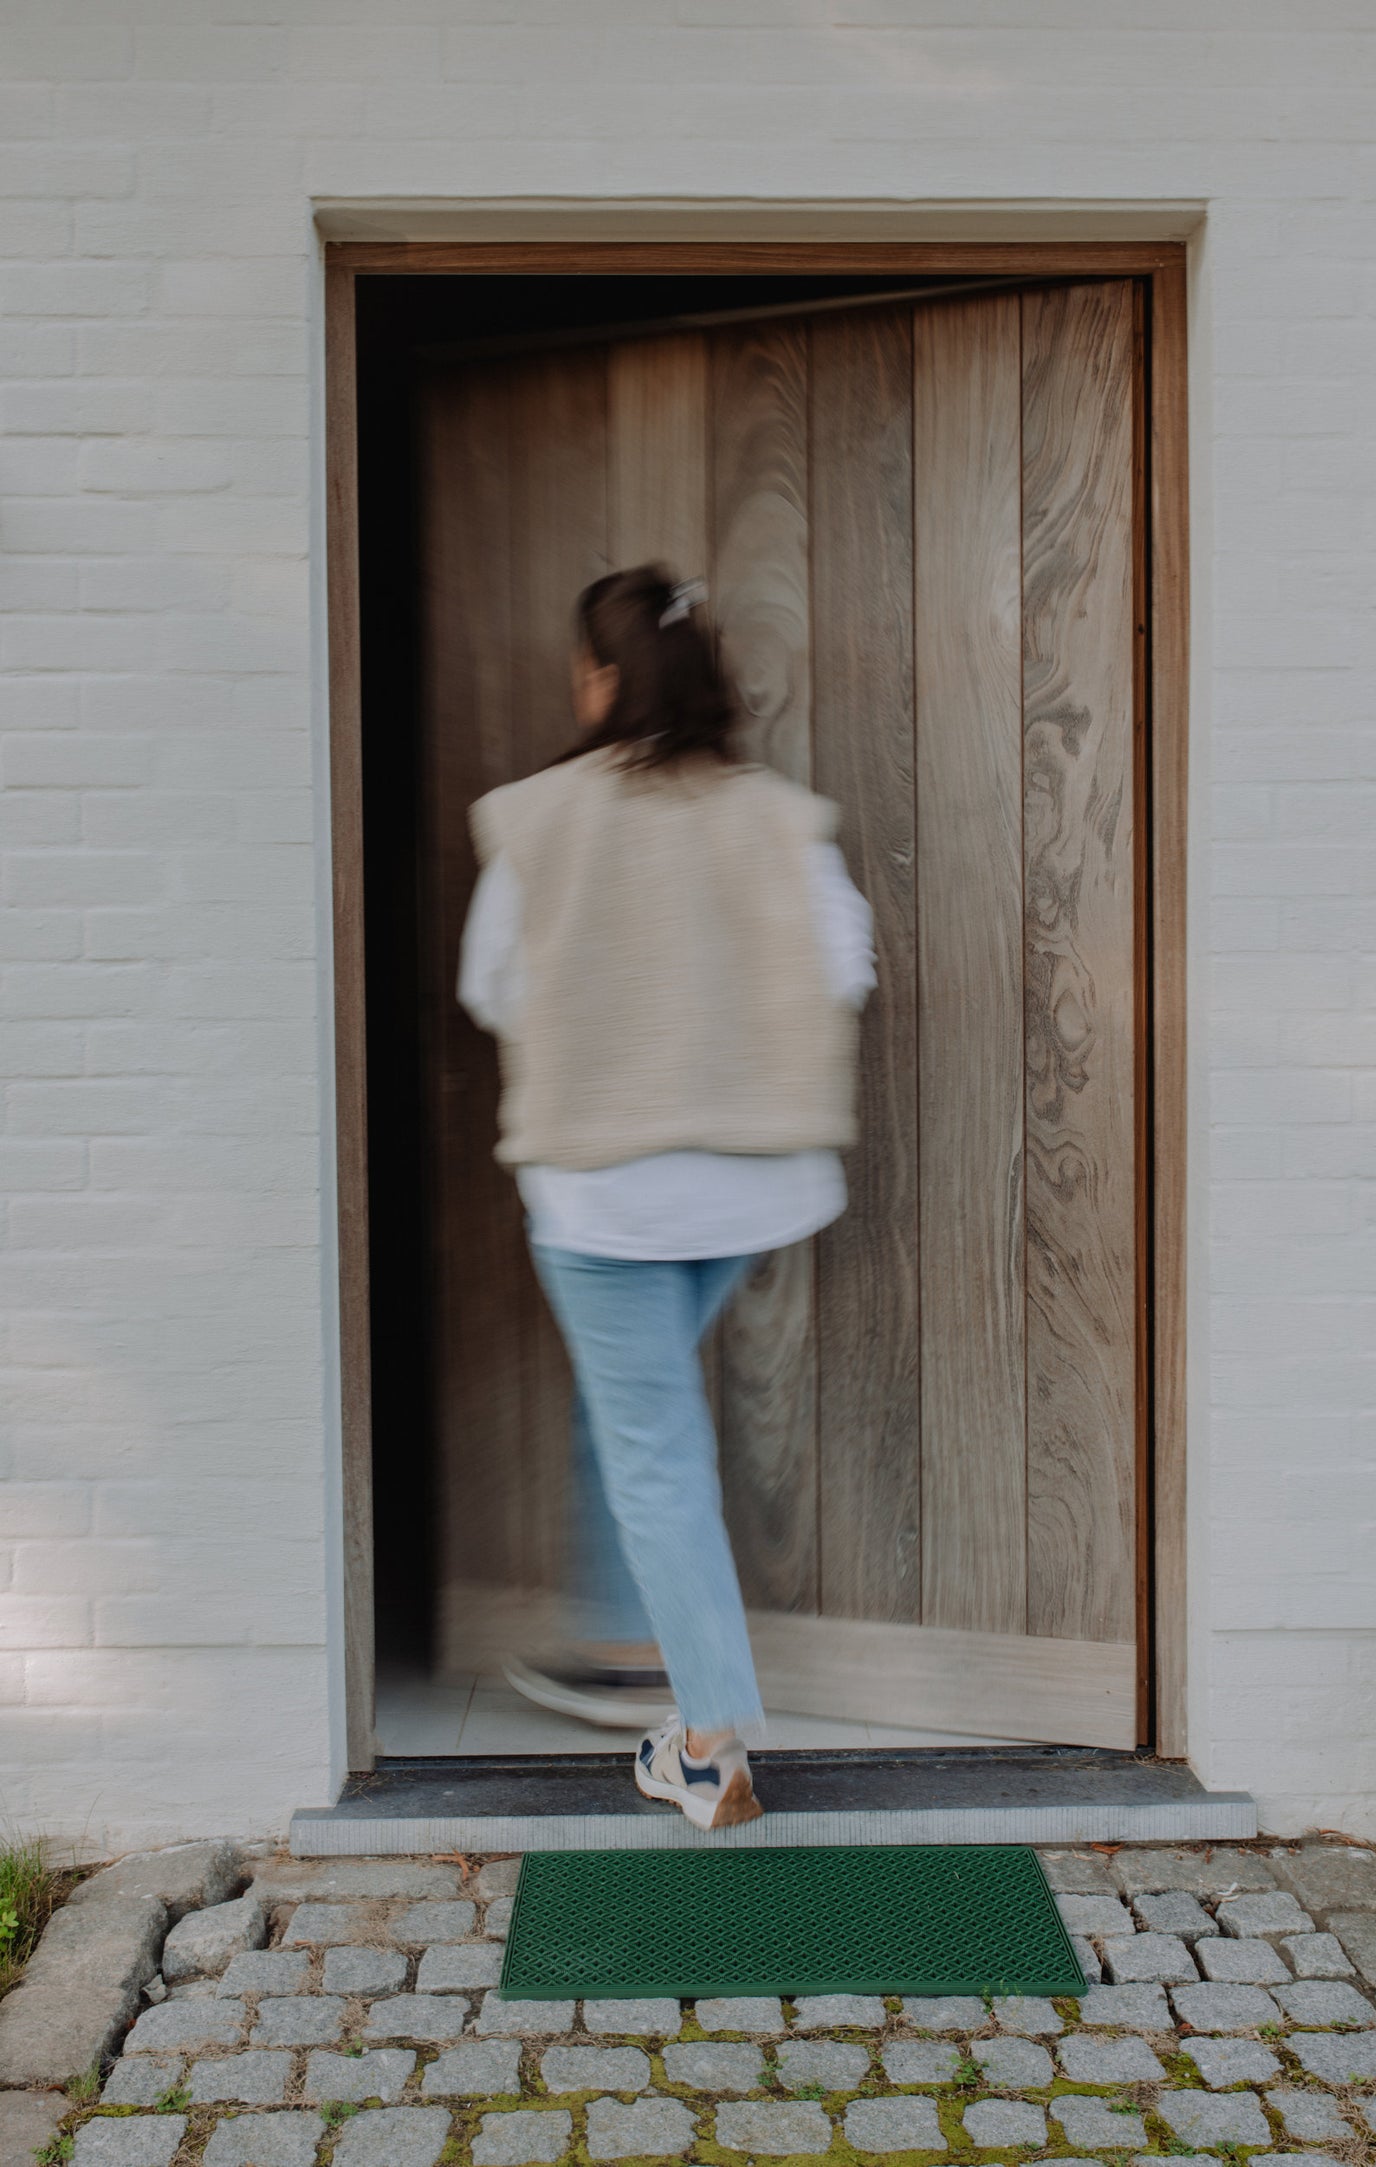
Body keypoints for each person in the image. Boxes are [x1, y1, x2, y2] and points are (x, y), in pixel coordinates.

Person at [457, 563, 874, 1830]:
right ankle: (630, 1641)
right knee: (637, 1417)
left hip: (603, 1196)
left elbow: (493, 987)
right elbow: (844, 964)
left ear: (597, 678)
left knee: (652, 1452)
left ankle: (706, 1738)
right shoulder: (774, 816)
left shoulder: (541, 817)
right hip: (749, 1190)